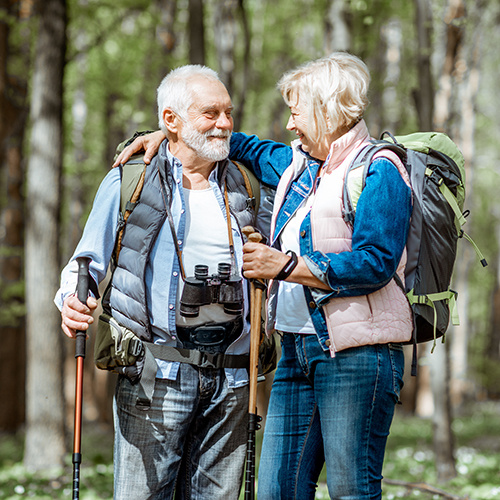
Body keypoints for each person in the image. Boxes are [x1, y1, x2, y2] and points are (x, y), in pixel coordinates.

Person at [115, 52, 413, 500]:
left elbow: (375, 263)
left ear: (326, 110)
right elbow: (233, 142)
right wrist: (169, 133)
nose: (291, 125)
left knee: (352, 489)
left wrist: (287, 266)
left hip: (357, 356)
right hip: (296, 349)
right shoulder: (297, 166)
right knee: (277, 490)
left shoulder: (379, 169)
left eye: (296, 112)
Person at [55, 65, 273, 500]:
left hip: (232, 380)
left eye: (229, 112)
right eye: (211, 113)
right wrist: (70, 300)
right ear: (170, 120)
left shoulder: (247, 183)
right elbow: (86, 261)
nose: (226, 123)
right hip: (156, 376)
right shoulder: (129, 181)